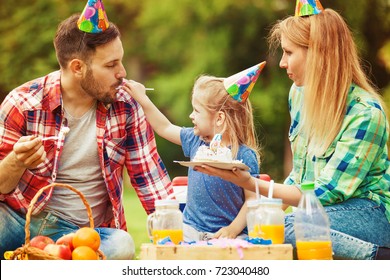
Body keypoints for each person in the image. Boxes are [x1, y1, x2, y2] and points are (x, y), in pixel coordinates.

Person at [194, 3, 390, 259]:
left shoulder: (365, 113)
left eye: (289, 52)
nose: (283, 63)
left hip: (368, 213)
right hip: (322, 212)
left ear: (319, 53)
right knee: (265, 227)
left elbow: (322, 194)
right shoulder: (298, 95)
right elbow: (299, 176)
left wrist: (250, 183)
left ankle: (378, 257)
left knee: (286, 229)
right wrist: (236, 229)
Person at [0, 2, 172, 260]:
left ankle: (37, 262)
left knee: (122, 244)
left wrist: (179, 235)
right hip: (19, 219)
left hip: (82, 235)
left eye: (120, 61)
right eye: (111, 65)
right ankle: (52, 263)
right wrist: (16, 160)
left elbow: (150, 180)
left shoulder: (126, 105)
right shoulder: (23, 103)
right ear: (77, 67)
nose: (122, 73)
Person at [122, 62, 265, 241]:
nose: (191, 116)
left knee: (241, 249)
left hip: (228, 234)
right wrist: (142, 99)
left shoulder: (244, 155)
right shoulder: (195, 141)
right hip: (189, 229)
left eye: (197, 111)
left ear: (219, 118)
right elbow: (164, 127)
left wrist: (232, 230)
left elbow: (252, 201)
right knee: (164, 241)